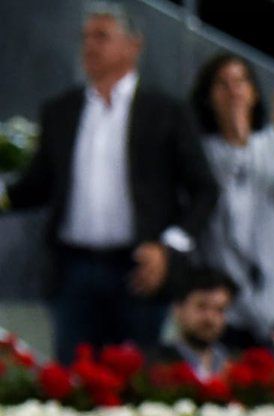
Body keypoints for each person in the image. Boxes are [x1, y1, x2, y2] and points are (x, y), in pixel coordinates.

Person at [0, 2, 218, 363]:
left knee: (139, 380)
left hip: (139, 268)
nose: (90, 46)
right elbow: (37, 186)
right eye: (86, 37)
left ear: (134, 46)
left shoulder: (165, 112)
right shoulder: (62, 111)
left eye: (102, 36)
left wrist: (169, 247)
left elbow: (205, 190)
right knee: (72, 379)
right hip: (74, 270)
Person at [190, 53, 274, 349]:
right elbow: (229, 205)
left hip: (271, 298)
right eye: (222, 84)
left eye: (240, 82)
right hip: (222, 304)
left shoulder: (272, 140)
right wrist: (238, 142)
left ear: (253, 92)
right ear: (208, 97)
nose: (233, 91)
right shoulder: (202, 150)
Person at [152, 267, 237, 381]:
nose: (210, 318)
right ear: (177, 309)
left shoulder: (235, 365)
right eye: (201, 306)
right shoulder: (156, 365)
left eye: (219, 310)